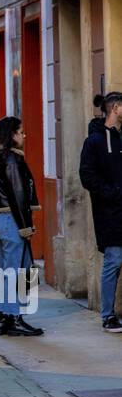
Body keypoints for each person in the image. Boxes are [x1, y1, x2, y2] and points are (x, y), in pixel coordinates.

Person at [0, 115, 44, 337]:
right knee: (17, 271)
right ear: (12, 135)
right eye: (21, 132)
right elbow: (18, 195)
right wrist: (25, 226)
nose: (24, 135)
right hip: (11, 220)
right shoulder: (12, 160)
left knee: (6, 271)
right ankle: (14, 319)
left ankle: (3, 318)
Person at [80, 91, 122, 332]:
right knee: (113, 260)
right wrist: (112, 193)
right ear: (115, 108)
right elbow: (87, 175)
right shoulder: (94, 141)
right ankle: (107, 315)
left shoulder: (119, 138)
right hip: (109, 213)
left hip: (118, 208)